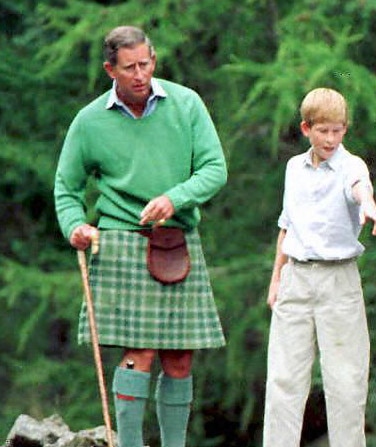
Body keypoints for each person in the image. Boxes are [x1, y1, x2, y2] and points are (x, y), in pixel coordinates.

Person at [54, 26, 227, 447]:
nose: (139, 74)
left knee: (180, 357)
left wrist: (175, 198)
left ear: (154, 59)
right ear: (109, 69)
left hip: (177, 239)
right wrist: (75, 225)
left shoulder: (186, 104)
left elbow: (214, 168)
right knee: (140, 353)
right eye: (129, 67)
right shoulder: (90, 120)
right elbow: (67, 187)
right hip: (119, 242)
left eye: (145, 64)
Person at [262, 87, 376, 447]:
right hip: (295, 278)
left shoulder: (353, 165)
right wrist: (276, 280)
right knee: (284, 380)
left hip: (338, 280)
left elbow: (360, 188)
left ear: (345, 128)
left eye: (338, 130)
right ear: (306, 129)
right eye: (323, 131)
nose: (331, 138)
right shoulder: (293, 169)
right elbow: (287, 226)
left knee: (345, 381)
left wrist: (369, 206)